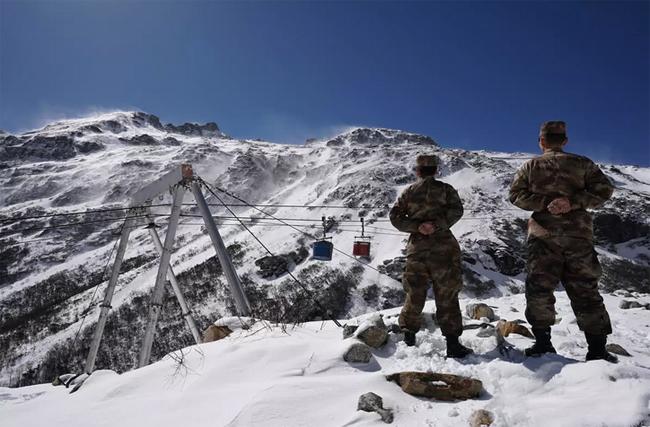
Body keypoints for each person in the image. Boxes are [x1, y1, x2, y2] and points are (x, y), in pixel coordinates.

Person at [509, 121, 617, 363]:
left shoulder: (530, 166)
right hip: (578, 236)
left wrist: (545, 203)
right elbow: (605, 191)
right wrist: (573, 202)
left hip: (542, 236)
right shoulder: (583, 164)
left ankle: (543, 344)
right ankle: (597, 350)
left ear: (542, 141)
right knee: (585, 290)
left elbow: (515, 195)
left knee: (539, 289)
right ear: (565, 140)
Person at [389, 154, 473, 358]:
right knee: (447, 295)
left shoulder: (408, 192)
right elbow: (457, 211)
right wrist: (436, 225)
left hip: (417, 249)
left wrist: (418, 227)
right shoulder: (446, 190)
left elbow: (395, 217)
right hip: (444, 248)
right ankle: (453, 344)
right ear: (436, 170)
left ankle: (408, 337)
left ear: (417, 171)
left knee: (414, 292)